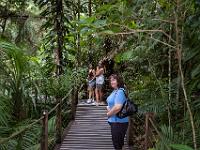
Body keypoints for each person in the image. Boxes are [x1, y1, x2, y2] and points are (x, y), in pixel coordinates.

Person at [106, 74, 128, 150]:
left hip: (119, 122)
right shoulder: (115, 91)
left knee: (117, 145)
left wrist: (108, 114)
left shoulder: (120, 92)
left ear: (118, 81)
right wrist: (108, 107)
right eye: (111, 80)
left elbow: (118, 107)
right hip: (115, 121)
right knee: (118, 144)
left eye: (114, 80)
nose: (112, 82)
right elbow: (112, 104)